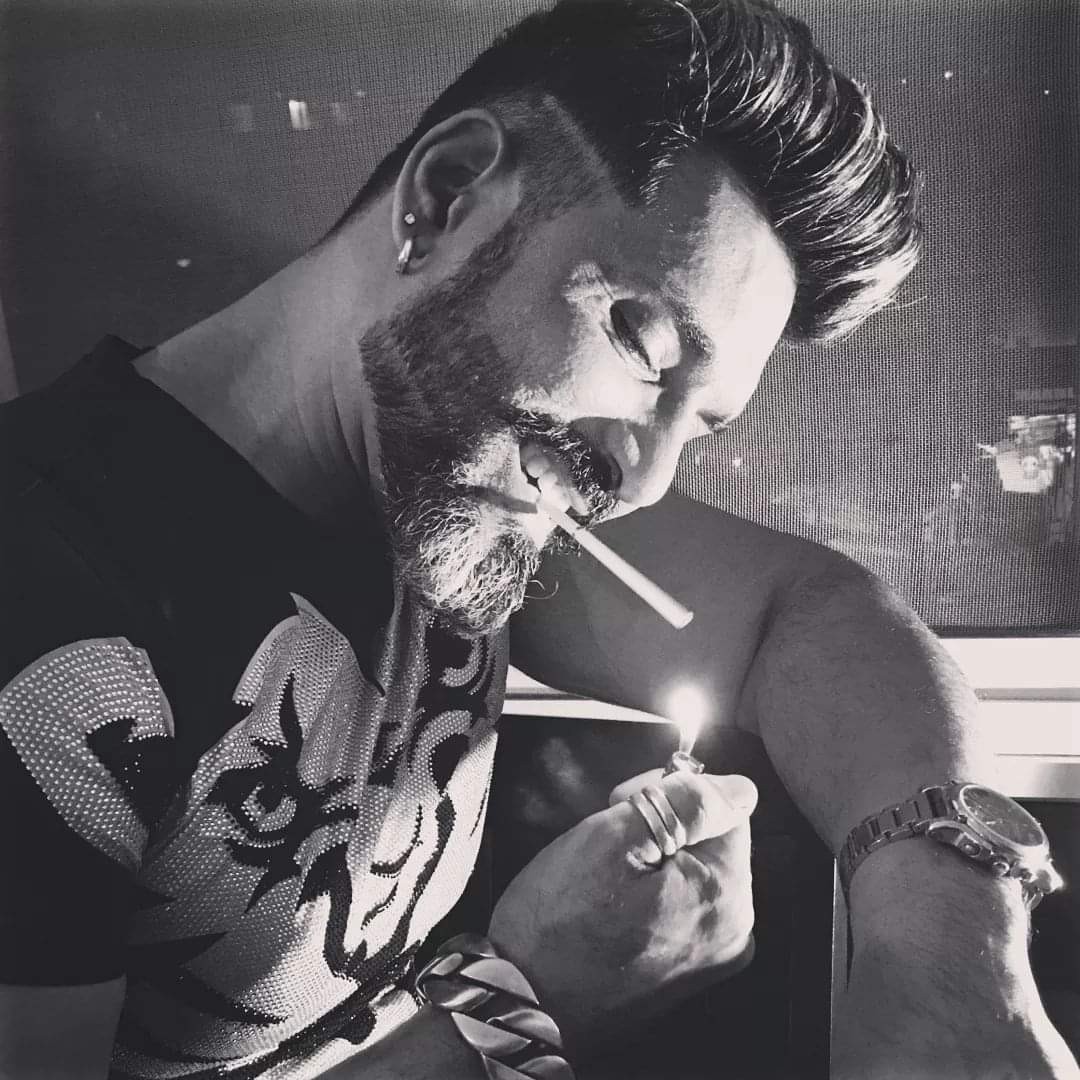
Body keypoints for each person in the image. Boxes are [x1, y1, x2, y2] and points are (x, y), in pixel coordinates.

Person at [0, 1, 1075, 1078]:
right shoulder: (47, 603)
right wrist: (525, 1002)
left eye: (700, 425)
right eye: (643, 343)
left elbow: (810, 617)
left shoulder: (447, 471)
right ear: (445, 195)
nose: (644, 479)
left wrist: (950, 959)